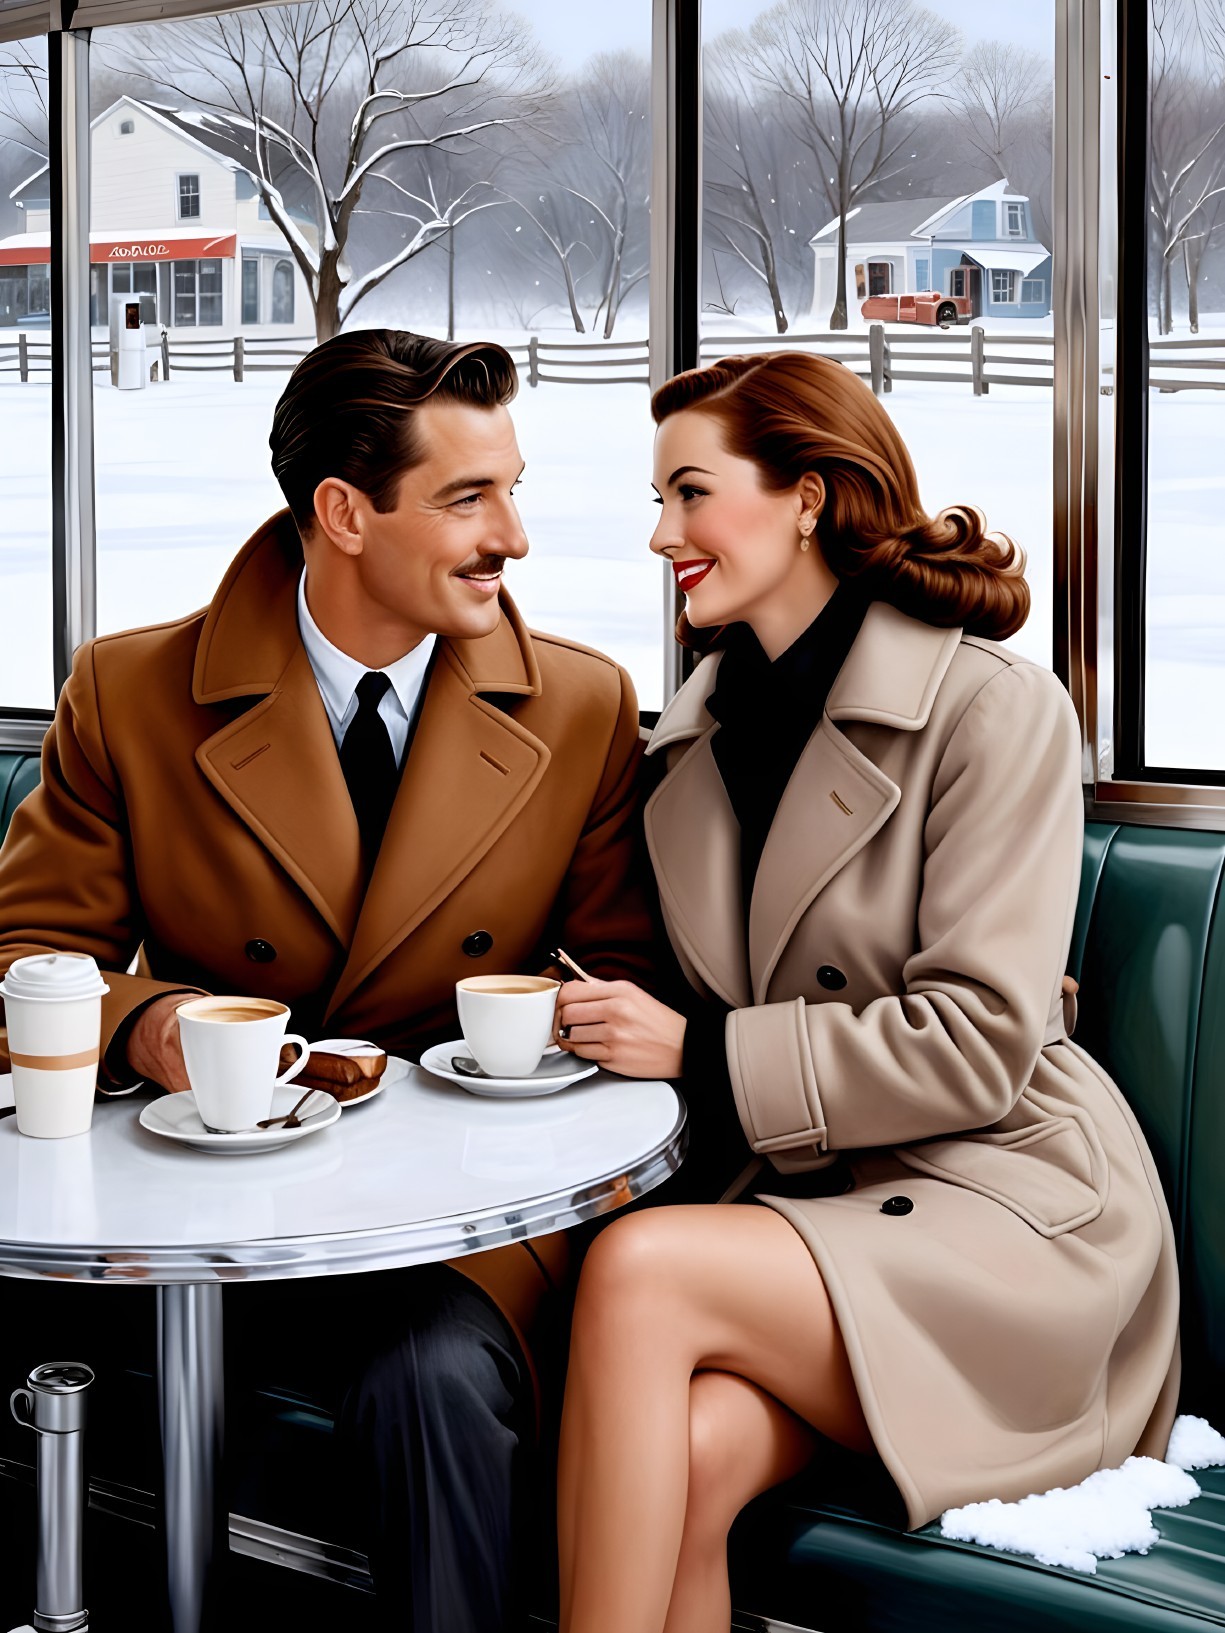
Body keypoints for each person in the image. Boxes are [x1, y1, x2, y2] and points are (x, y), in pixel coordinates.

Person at [0, 329, 658, 1630]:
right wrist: (158, 1027)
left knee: (430, 1379)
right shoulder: (131, 692)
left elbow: (620, 983)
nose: (514, 537)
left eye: (513, 490)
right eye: (468, 498)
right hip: (192, 1200)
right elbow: (25, 959)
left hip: (457, 1225)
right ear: (345, 514)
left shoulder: (582, 707)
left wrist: (515, 1052)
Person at [549, 351, 1181, 1633]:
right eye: (659, 500)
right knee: (693, 1457)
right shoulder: (687, 747)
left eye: (690, 492)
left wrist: (700, 1052)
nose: (661, 535)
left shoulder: (994, 709)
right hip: (824, 1214)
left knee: (640, 1269)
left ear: (807, 497)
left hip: (1008, 1212)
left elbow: (979, 1045)